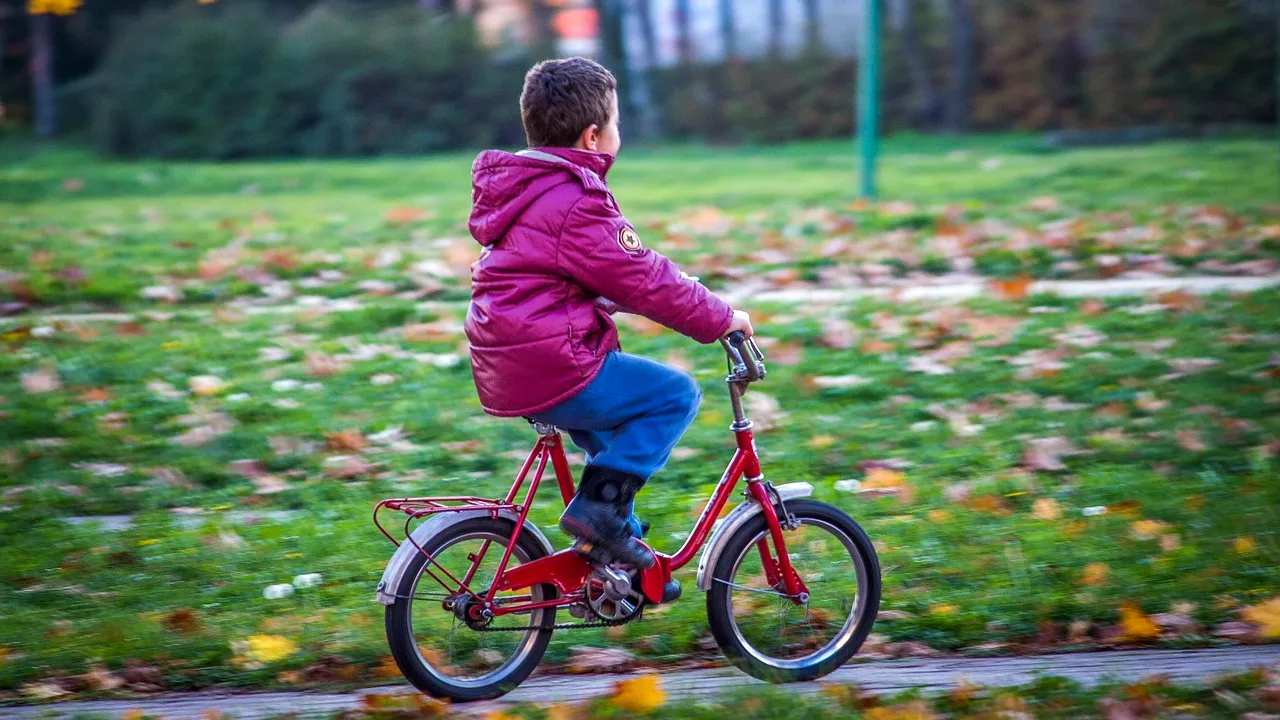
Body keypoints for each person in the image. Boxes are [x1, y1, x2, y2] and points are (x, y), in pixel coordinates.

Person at [464, 57, 752, 569]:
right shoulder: (578, 201)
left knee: (610, 448)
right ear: (594, 136)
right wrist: (720, 316)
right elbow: (644, 278)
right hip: (558, 363)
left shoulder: (522, 193)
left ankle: (615, 552)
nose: (620, 133)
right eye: (617, 123)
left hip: (509, 365)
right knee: (673, 394)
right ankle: (599, 518)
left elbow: (562, 275)